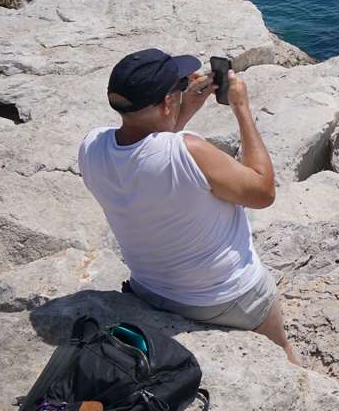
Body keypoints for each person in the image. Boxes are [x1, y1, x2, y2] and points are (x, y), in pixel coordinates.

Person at [78, 48, 301, 365]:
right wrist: (241, 108)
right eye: (179, 87)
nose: (184, 89)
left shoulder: (92, 146)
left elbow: (145, 154)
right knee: (284, 357)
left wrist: (184, 109)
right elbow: (262, 191)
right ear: (167, 103)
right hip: (228, 297)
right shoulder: (187, 149)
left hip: (151, 291)